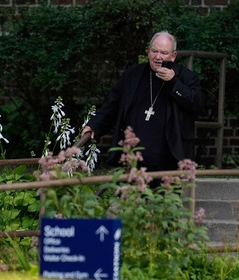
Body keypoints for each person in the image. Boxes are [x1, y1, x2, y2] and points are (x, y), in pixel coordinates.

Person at [82, 30, 205, 175]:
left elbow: (196, 104)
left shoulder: (186, 78)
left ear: (173, 56)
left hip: (169, 161)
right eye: (154, 51)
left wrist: (173, 82)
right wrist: (94, 125)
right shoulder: (131, 75)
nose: (158, 57)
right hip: (133, 158)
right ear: (148, 52)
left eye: (164, 53)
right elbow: (112, 106)